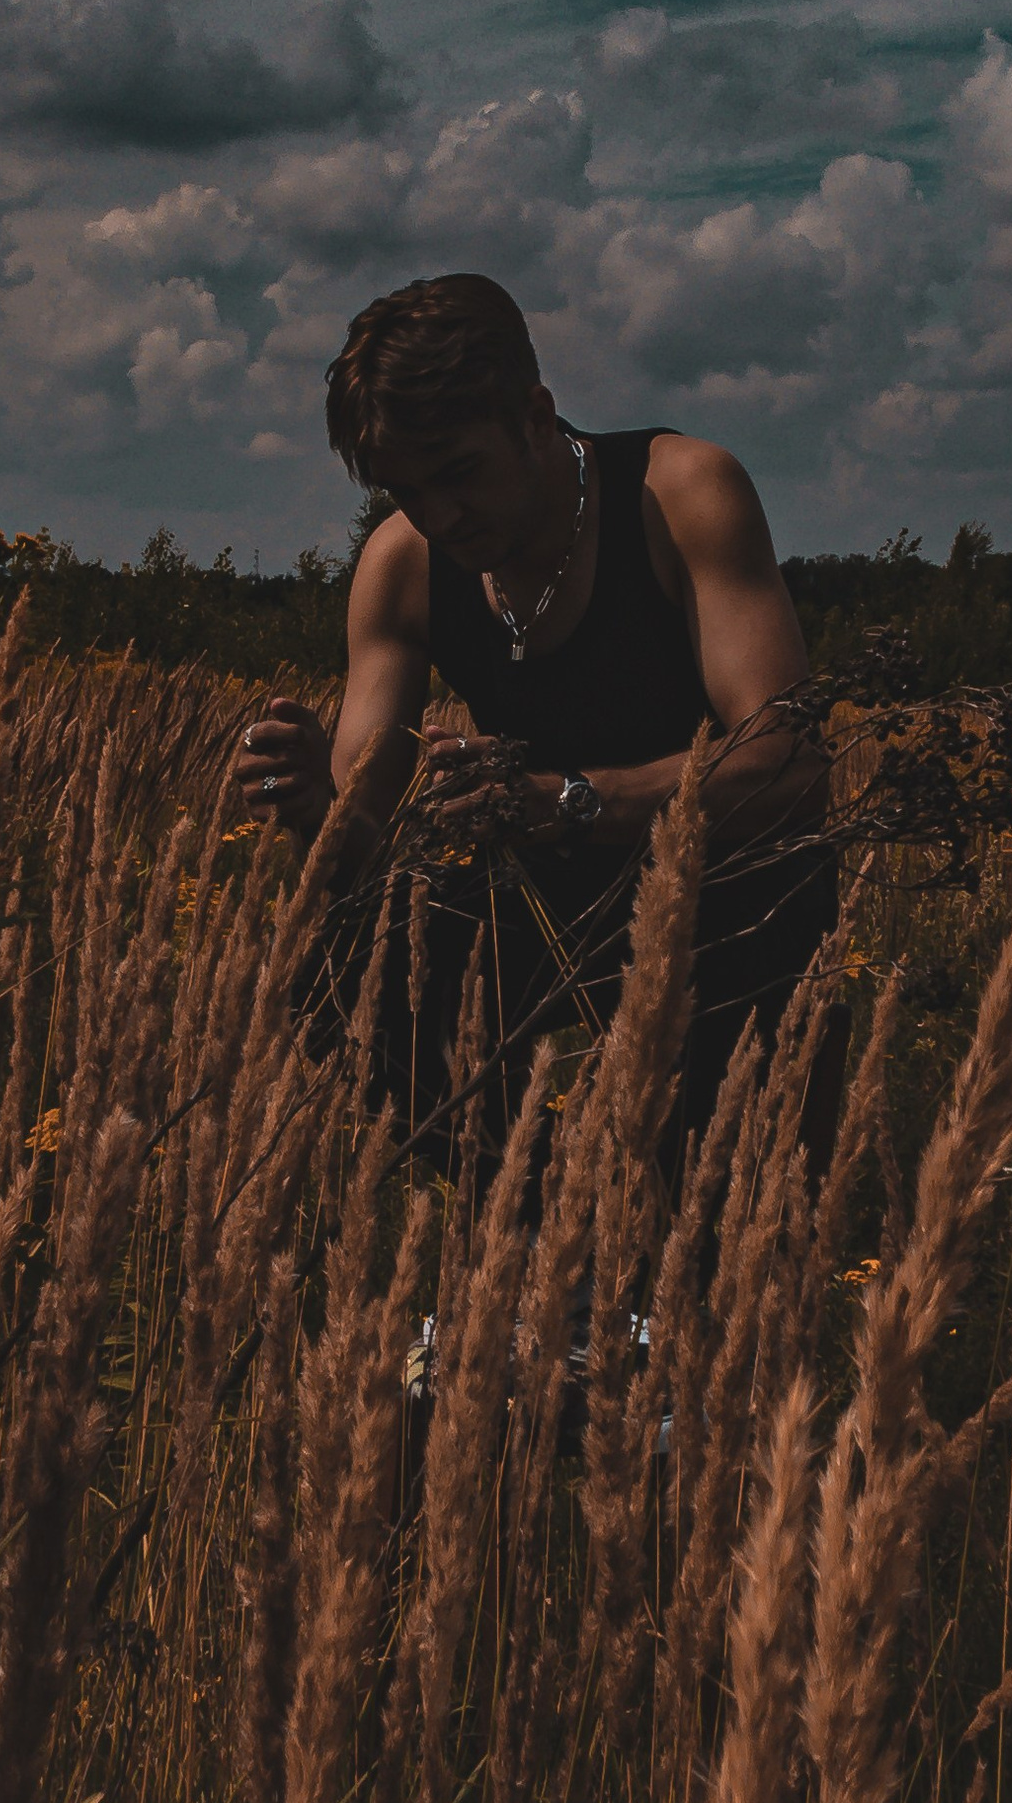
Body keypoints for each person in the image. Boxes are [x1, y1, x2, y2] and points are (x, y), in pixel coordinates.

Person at [236, 270, 837, 1168]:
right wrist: (317, 808)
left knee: (721, 1222)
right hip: (548, 909)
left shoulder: (679, 495)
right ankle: (534, 1226)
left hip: (734, 913)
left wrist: (567, 800)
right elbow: (363, 861)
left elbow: (790, 763)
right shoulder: (402, 566)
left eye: (460, 475)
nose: (440, 515)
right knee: (343, 981)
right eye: (407, 490)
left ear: (534, 415)